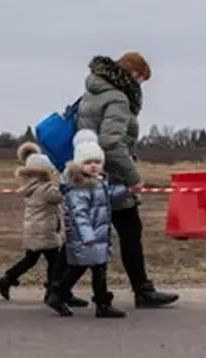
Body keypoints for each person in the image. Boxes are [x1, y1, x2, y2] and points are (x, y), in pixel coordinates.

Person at [75, 52, 179, 308]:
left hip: (89, 172)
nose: (141, 85)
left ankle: (57, 288)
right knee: (130, 231)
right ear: (133, 74)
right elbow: (111, 142)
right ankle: (143, 291)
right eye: (141, 79)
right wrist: (132, 176)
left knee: (84, 234)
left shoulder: (93, 91)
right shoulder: (118, 98)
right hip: (111, 176)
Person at [45, 130, 140, 318]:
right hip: (86, 239)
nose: (94, 166)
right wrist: (88, 237)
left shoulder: (98, 183)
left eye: (97, 162)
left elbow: (107, 197)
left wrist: (126, 190)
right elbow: (79, 216)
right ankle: (64, 294)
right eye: (88, 163)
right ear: (79, 164)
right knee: (80, 269)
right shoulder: (79, 189)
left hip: (98, 237)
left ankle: (95, 301)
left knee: (96, 269)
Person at [0, 142, 88, 307]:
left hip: (36, 229)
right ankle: (54, 292)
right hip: (45, 231)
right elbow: (63, 195)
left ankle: (7, 279)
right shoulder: (46, 190)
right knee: (55, 262)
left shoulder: (31, 187)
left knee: (31, 259)